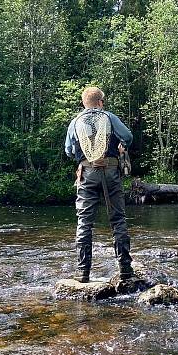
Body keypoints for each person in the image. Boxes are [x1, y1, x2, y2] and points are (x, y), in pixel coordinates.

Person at [65, 86, 134, 283]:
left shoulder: (75, 121)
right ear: (101, 102)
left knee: (84, 222)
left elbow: (69, 151)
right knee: (118, 219)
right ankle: (125, 270)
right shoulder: (109, 117)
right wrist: (122, 146)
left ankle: (83, 272)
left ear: (84, 103)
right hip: (111, 172)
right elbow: (127, 137)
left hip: (87, 173)